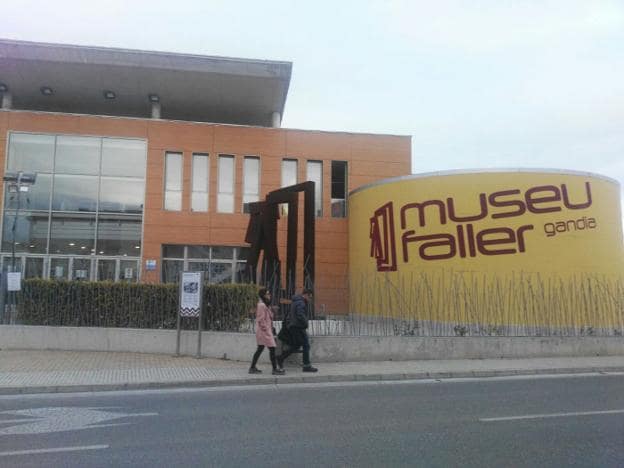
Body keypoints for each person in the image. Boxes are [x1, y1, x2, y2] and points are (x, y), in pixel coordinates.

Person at [277, 288, 318, 372]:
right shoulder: (301, 303)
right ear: (306, 295)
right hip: (298, 327)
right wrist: (305, 323)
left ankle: (281, 358)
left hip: (293, 326)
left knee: (297, 345)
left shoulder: (296, 301)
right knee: (306, 345)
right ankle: (306, 366)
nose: (310, 299)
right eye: (310, 297)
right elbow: (300, 314)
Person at [249, 288, 285, 375]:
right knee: (272, 349)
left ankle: (252, 368)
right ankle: (274, 369)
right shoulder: (261, 305)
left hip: (264, 331)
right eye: (268, 294)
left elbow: (268, 317)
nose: (270, 295)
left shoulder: (265, 305)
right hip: (264, 332)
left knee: (260, 349)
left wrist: (271, 310)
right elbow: (260, 320)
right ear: (263, 295)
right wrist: (267, 330)